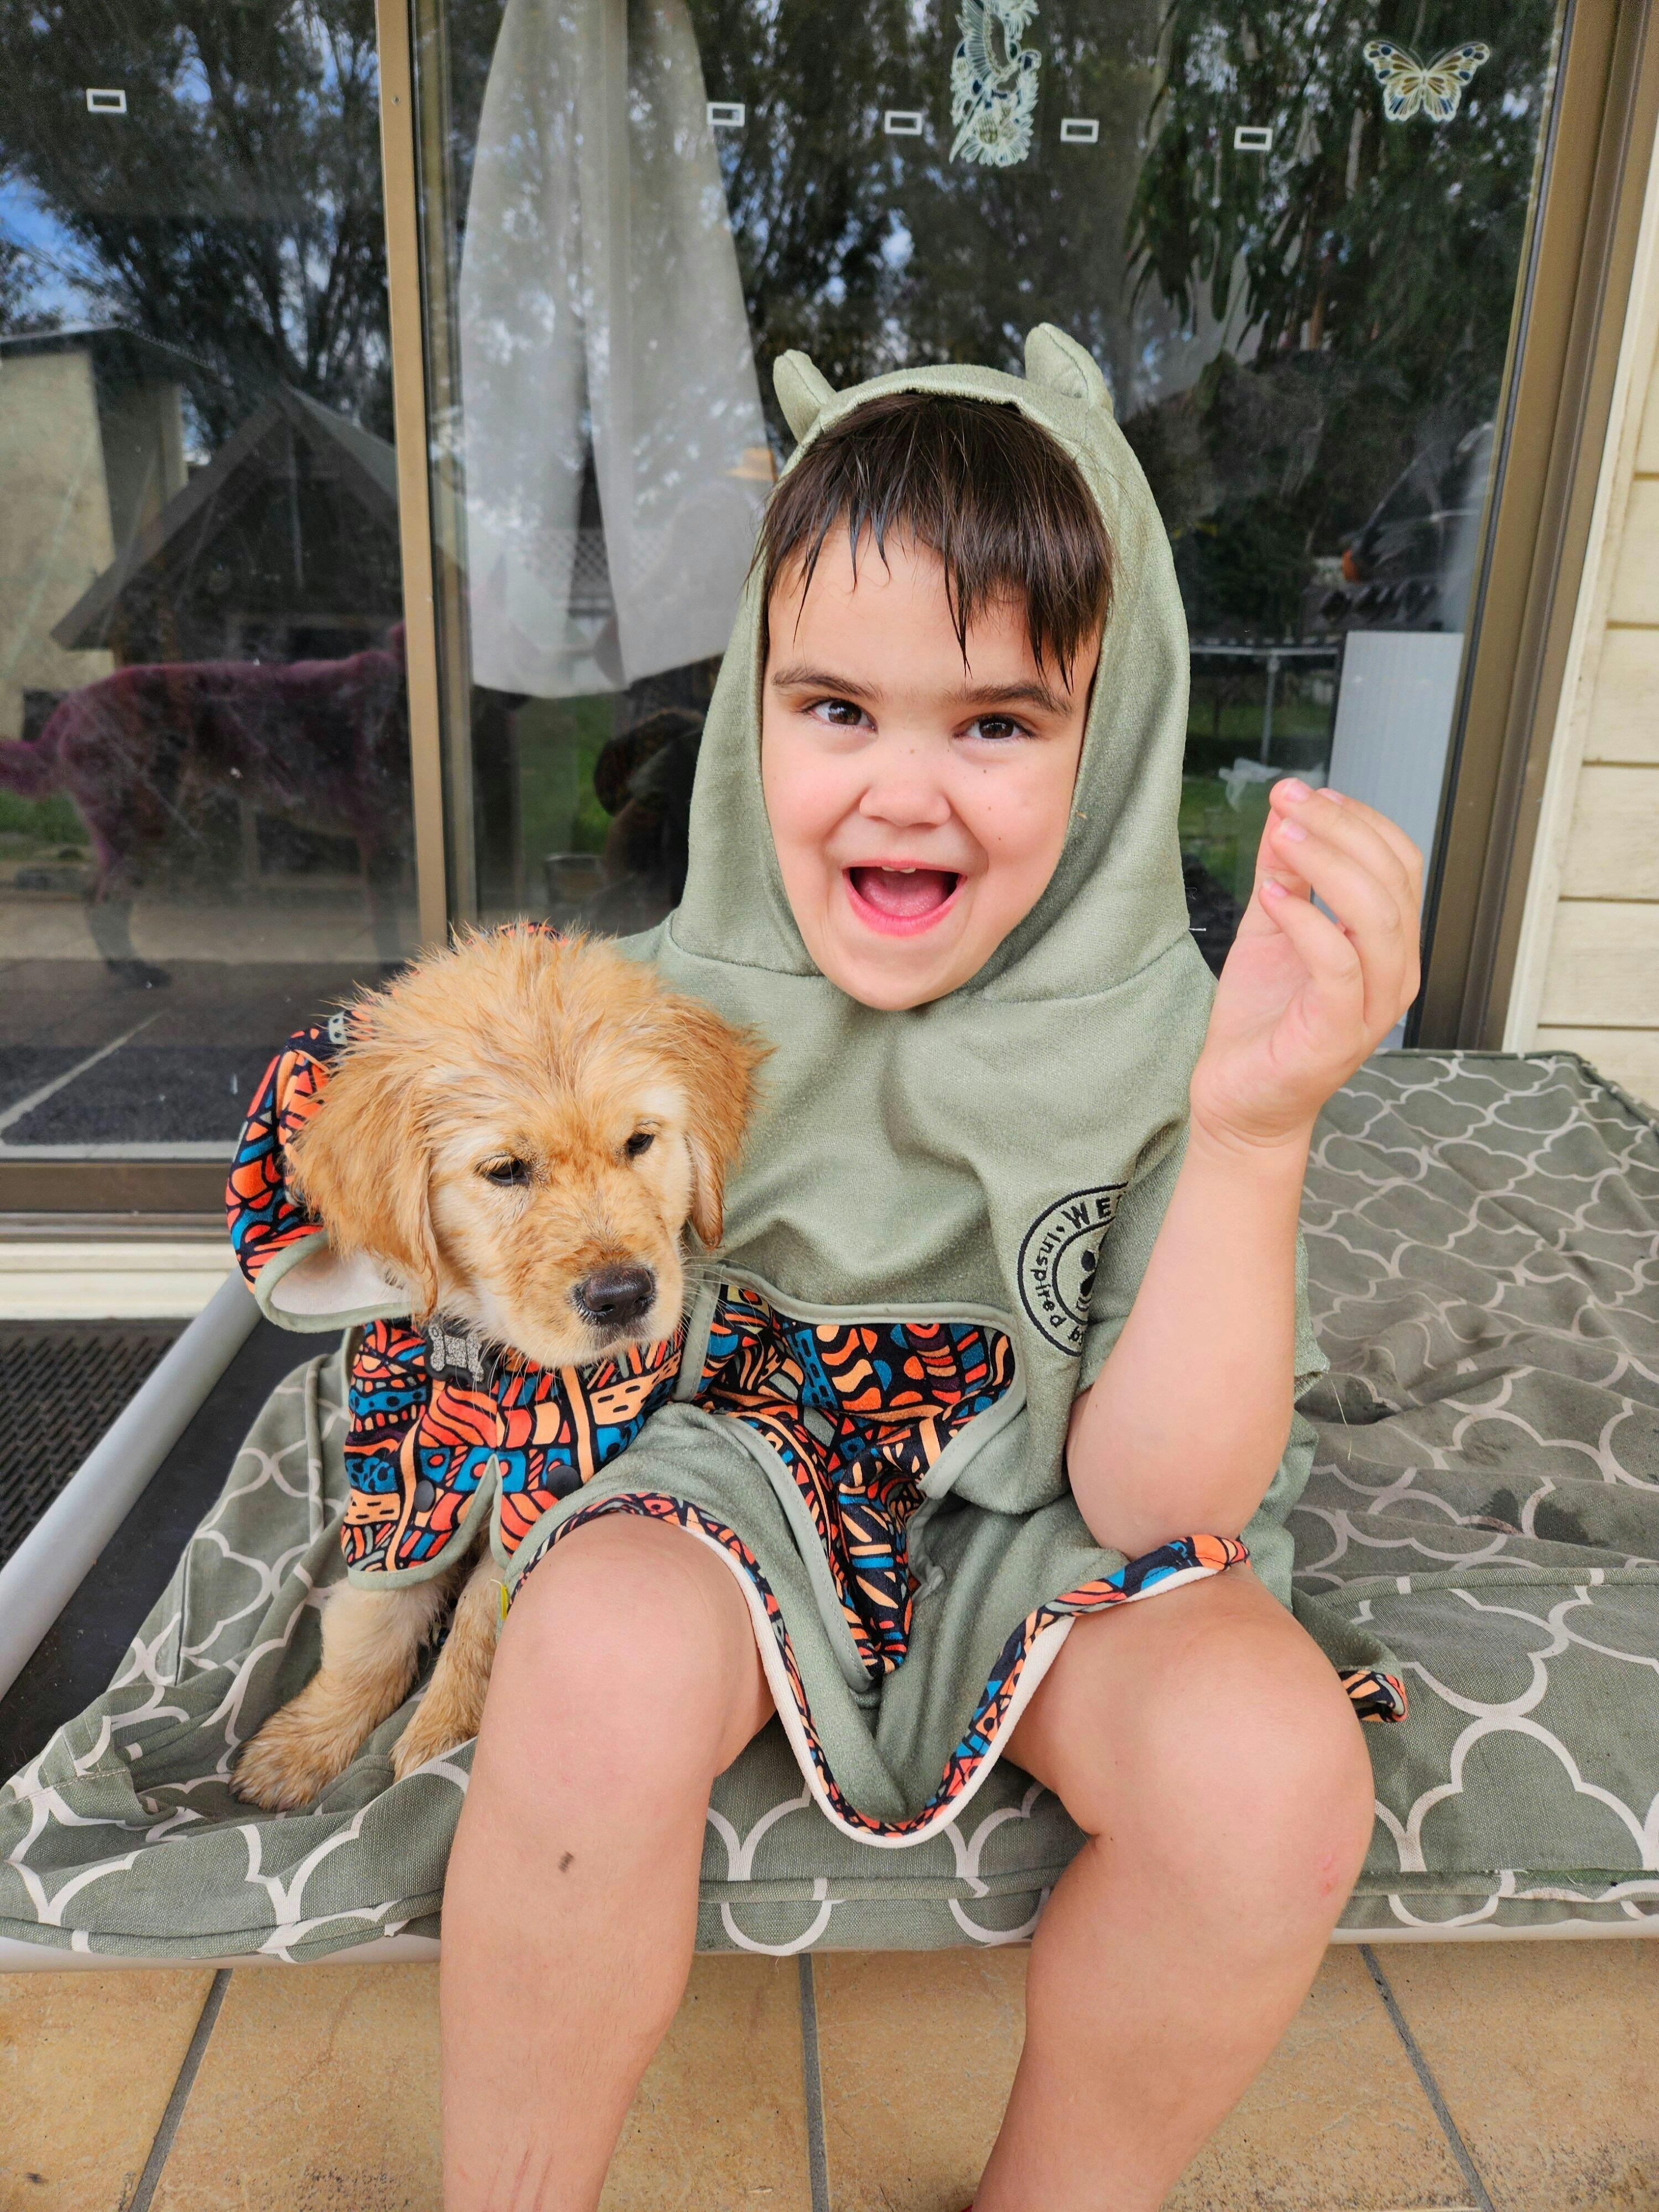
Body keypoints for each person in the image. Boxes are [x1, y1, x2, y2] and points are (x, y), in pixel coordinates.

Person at [439, 328, 1421, 2211]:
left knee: (1275, 1775)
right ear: (752, 713)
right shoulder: (647, 1009)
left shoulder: (1179, 1046)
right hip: (740, 1478)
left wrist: (1253, 1137)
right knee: (592, 1653)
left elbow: (1156, 1505)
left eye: (996, 725)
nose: (904, 792)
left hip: (1057, 1521)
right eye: (836, 709)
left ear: (1109, 739)